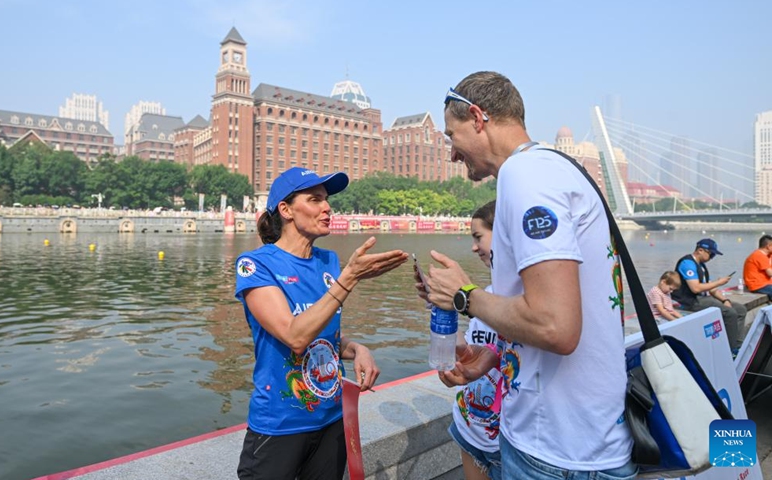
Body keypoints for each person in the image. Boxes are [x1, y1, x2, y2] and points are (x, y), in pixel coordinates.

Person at [416, 71, 636, 479]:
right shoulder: (557, 168)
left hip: (557, 451)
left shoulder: (526, 175)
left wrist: (463, 295)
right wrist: (492, 358)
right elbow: (558, 310)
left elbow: (556, 326)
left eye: (451, 136)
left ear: (478, 118)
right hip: (577, 440)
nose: (451, 153)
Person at [234, 167, 408, 480]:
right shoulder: (256, 264)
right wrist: (349, 279)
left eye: (327, 200)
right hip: (280, 425)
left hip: (332, 420)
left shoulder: (328, 262)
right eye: (315, 200)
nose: (327, 207)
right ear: (286, 210)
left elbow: (322, 337)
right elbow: (294, 335)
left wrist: (357, 348)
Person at [449, 200, 503, 480]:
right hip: (470, 428)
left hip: (508, 441)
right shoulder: (485, 296)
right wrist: (442, 309)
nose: (474, 246)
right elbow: (467, 351)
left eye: (478, 237)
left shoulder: (529, 306)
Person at [671, 238, 746, 353]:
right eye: (711, 254)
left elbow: (711, 287)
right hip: (691, 301)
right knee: (730, 313)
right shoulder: (687, 263)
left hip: (704, 298)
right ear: (700, 250)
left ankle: (737, 345)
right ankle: (729, 351)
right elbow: (695, 288)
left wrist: (725, 299)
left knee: (740, 309)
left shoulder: (701, 266)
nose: (711, 258)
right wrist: (720, 282)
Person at [743, 234, 772, 299]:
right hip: (758, 285)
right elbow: (770, 273)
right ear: (768, 246)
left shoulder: (767, 255)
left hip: (765, 283)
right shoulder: (759, 255)